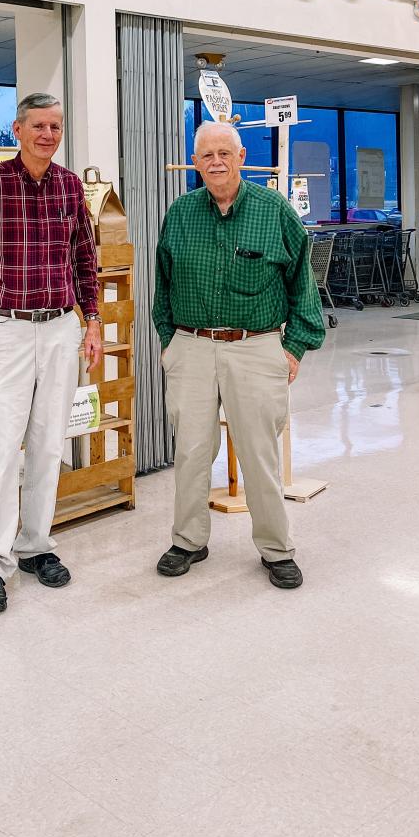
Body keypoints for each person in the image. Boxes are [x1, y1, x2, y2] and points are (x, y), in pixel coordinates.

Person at [152, 121, 325, 589]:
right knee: (190, 452)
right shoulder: (181, 213)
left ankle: (276, 549)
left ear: (242, 155)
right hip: (190, 348)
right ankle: (189, 540)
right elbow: (162, 283)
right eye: (206, 155)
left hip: (256, 347)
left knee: (259, 454)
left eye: (224, 153)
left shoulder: (275, 212)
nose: (215, 162)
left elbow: (302, 287)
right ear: (195, 162)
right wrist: (170, 341)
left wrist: (292, 349)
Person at [0, 92, 102, 614]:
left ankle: (36, 545)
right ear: (17, 130)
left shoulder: (68, 187)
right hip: (6, 332)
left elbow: (86, 259)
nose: (48, 134)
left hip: (62, 327)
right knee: (1, 448)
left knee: (48, 444)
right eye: (38, 125)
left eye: (56, 126)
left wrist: (93, 321)